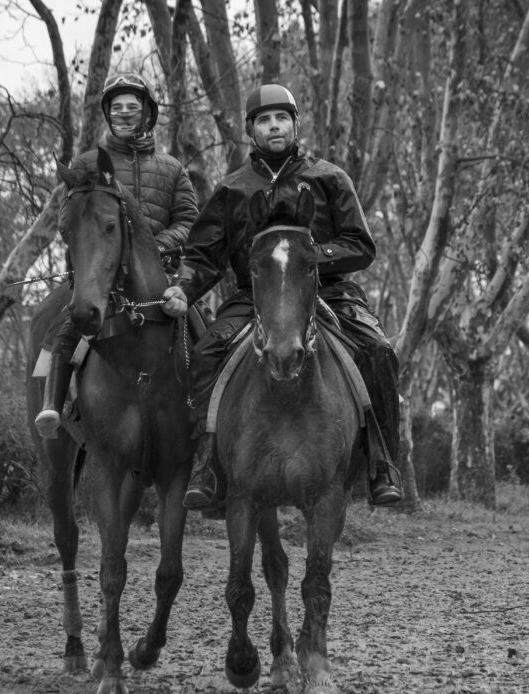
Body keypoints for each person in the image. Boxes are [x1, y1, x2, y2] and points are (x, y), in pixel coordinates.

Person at [159, 83, 402, 508]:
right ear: (251, 130)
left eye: (281, 118)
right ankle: (208, 462)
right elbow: (203, 256)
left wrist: (306, 258)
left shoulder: (329, 178)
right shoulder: (232, 189)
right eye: (265, 120)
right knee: (206, 353)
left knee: (379, 351)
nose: (274, 127)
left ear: (295, 124)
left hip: (329, 292)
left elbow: (361, 246)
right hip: (254, 298)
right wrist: (183, 286)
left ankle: (383, 462)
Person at [34, 72, 198, 438]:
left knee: (203, 327)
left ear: (146, 113)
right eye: (117, 107)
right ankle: (53, 404)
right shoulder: (85, 164)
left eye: (132, 107)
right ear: (108, 114)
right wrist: (99, 250)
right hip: (102, 273)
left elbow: (189, 221)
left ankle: (205, 414)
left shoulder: (172, 168)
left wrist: (153, 248)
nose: (124, 113)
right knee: (64, 330)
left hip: (163, 275)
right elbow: (68, 220)